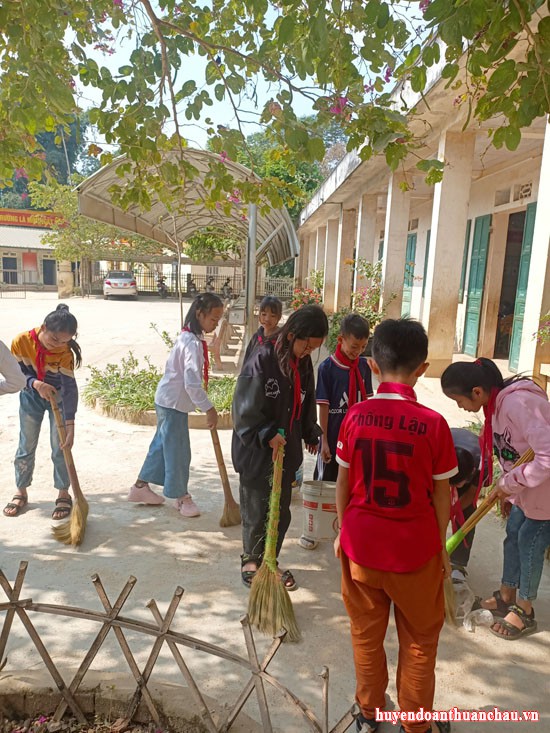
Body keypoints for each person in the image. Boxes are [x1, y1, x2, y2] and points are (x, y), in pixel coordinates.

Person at [335, 318, 457, 733]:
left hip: (361, 549)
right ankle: (415, 724)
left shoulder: (355, 416)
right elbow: (441, 495)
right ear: (423, 368)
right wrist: (440, 548)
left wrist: (342, 532)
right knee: (420, 642)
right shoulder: (434, 425)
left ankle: (369, 712)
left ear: (372, 364)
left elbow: (343, 483)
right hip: (415, 552)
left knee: (365, 636)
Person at [441, 357, 550, 640]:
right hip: (525, 491)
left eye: (458, 400)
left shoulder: (520, 404)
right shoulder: (497, 409)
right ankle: (506, 596)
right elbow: (513, 451)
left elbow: (547, 455)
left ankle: (525, 610)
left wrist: (510, 483)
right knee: (513, 535)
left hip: (544, 495)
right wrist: (509, 491)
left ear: (477, 391)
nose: (460, 407)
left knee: (529, 543)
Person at [232, 304, 328, 590]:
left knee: (280, 511)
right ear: (292, 334)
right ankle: (251, 560)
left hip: (285, 450)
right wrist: (267, 434)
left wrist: (310, 432)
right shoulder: (262, 358)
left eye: (314, 349)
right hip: (257, 450)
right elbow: (244, 409)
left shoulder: (303, 363)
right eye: (307, 346)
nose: (308, 352)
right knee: (256, 508)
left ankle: (270, 561)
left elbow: (306, 400)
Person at [129, 293, 224, 516]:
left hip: (168, 400)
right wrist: (209, 408)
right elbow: (192, 383)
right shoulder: (191, 342)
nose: (216, 324)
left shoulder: (191, 338)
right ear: (200, 315)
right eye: (213, 319)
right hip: (172, 403)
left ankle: (140, 487)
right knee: (178, 450)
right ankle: (181, 497)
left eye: (218, 320)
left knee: (163, 445)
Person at [4, 304, 82, 520]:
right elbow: (16, 373)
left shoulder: (64, 351)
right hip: (30, 396)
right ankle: (21, 490)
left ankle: (63, 492)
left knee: (61, 447)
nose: (58, 345)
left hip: (58, 399)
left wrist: (70, 425)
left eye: (65, 341)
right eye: (55, 339)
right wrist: (36, 384)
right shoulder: (21, 341)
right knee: (26, 445)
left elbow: (69, 388)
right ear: (44, 327)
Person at [315, 314, 372, 482]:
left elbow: (368, 404)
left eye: (363, 347)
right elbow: (324, 407)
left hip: (357, 437)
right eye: (354, 346)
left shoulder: (364, 367)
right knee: (328, 482)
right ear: (341, 339)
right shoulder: (327, 368)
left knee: (353, 483)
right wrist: (324, 441)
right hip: (333, 436)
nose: (358, 351)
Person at [448, 427, 483, 583]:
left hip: (470, 461)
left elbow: (470, 495)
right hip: (443, 463)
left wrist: (450, 513)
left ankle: (457, 564)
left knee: (467, 514)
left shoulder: (483, 464)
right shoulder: (436, 451)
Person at [243, 295, 283, 364]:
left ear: (279, 317)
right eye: (264, 314)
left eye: (272, 316)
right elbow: (247, 361)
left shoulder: (281, 341)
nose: (267, 319)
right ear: (259, 315)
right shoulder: (256, 337)